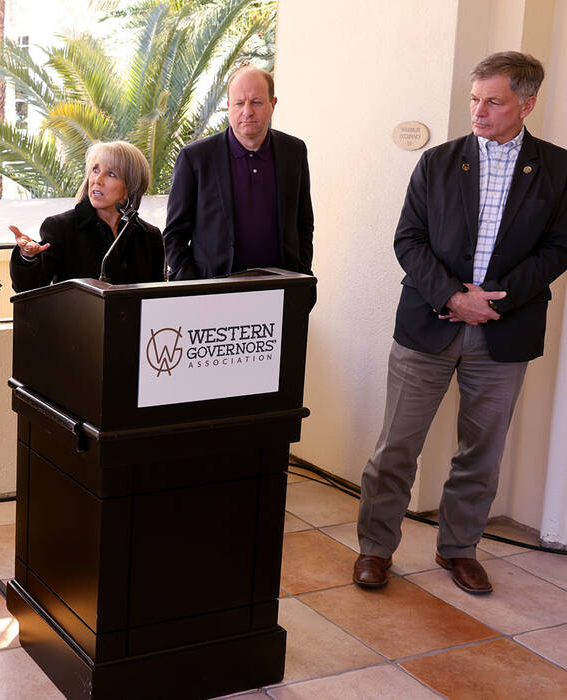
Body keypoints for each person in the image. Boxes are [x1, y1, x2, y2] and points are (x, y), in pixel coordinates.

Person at [353, 51, 567, 595]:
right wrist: (452, 295)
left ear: (527, 103)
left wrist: (493, 299)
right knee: (396, 447)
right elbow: (408, 239)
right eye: (475, 99)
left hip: (504, 329)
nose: (478, 111)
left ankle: (458, 549)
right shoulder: (438, 162)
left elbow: (559, 248)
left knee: (482, 452)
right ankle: (375, 549)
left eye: (493, 102)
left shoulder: (559, 169)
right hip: (428, 324)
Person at [162, 65, 314, 281]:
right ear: (228, 106)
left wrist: (302, 275)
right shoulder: (195, 158)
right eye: (239, 103)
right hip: (213, 294)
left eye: (256, 102)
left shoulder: (294, 152)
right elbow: (174, 234)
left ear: (273, 104)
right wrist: (192, 287)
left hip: (280, 291)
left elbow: (304, 223)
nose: (247, 111)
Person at [9, 140, 163, 291]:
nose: (98, 180)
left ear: (130, 185)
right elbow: (28, 288)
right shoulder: (61, 227)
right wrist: (27, 257)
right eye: (95, 170)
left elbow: (156, 297)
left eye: (111, 174)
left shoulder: (150, 236)